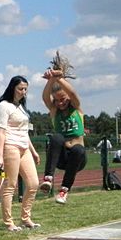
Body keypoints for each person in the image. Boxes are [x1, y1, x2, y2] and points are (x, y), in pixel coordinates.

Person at [0, 75, 41, 231]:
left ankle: (26, 218)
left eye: (26, 89)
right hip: (11, 146)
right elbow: (1, 132)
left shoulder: (21, 107)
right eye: (21, 89)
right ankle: (9, 223)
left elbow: (25, 132)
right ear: (13, 88)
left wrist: (34, 152)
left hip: (24, 148)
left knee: (33, 183)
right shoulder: (4, 106)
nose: (24, 92)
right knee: (11, 185)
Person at [40, 67, 87, 204]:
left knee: (78, 149)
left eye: (63, 99)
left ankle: (63, 191)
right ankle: (48, 179)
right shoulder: (54, 111)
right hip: (62, 158)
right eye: (57, 100)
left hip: (77, 158)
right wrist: (50, 80)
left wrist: (59, 78)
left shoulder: (77, 109)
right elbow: (45, 98)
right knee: (56, 137)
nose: (60, 103)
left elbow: (72, 93)